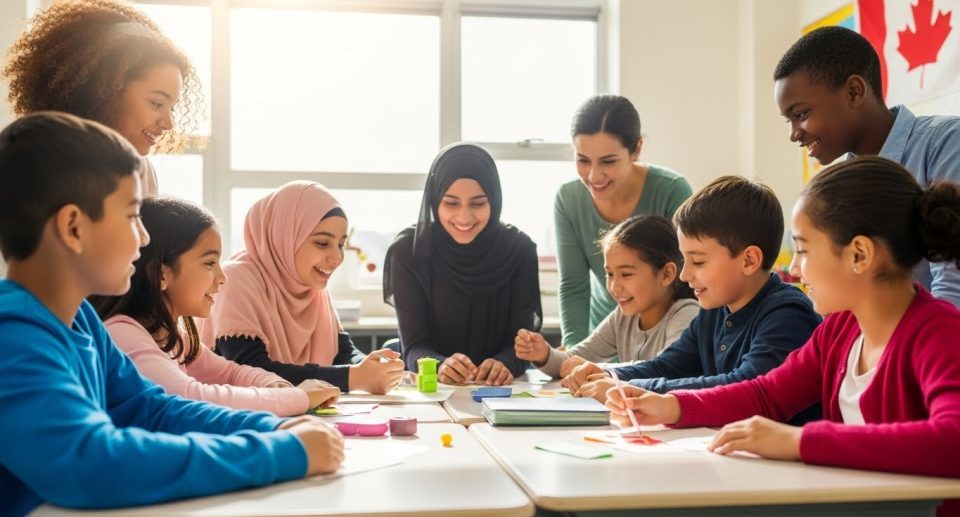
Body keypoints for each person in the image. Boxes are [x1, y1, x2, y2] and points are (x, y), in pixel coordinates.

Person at [0, 112, 342, 516]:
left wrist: (276, 426)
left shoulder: (82, 322)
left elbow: (153, 408)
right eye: (131, 217)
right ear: (73, 227)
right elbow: (92, 464)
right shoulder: (14, 333)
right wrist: (281, 452)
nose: (144, 238)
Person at [606, 156, 960, 516]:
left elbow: (953, 441)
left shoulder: (938, 333)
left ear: (859, 254)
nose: (793, 267)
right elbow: (768, 393)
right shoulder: (840, 331)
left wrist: (799, 440)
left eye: (804, 250)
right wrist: (673, 405)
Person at [565, 176, 821, 427]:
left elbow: (743, 386)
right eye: (684, 260)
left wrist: (627, 388)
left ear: (749, 260)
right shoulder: (715, 309)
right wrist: (610, 374)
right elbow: (671, 365)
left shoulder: (787, 314)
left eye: (698, 261)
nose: (685, 275)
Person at [93, 197, 340, 416]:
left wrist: (273, 384)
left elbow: (230, 373)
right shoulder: (123, 335)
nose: (222, 277)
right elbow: (192, 398)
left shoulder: (172, 336)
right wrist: (297, 397)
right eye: (210, 263)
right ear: (161, 274)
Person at [774, 25, 960, 305]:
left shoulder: (945, 143)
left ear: (853, 92)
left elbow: (953, 288)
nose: (794, 133)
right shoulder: (838, 188)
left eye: (801, 114)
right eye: (789, 120)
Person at [201, 181, 404, 394]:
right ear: (285, 237)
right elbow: (251, 370)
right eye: (322, 243)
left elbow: (342, 353)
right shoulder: (235, 280)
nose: (337, 257)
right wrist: (352, 377)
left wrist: (374, 367)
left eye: (341, 244)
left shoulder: (311, 287)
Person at [2, 0, 205, 197]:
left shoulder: (141, 173)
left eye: (172, 108)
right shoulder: (30, 165)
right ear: (106, 93)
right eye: (157, 103)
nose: (168, 123)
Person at [385, 143, 542, 386]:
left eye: (478, 203)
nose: (464, 217)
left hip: (499, 390)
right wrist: (439, 365)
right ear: (435, 200)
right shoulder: (409, 251)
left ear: (494, 200)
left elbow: (521, 343)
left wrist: (505, 363)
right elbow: (414, 346)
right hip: (435, 391)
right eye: (451, 203)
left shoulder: (519, 250)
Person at [556, 94, 692, 347]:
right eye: (583, 160)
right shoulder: (568, 199)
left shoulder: (672, 191)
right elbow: (573, 286)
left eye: (608, 161)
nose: (594, 175)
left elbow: (688, 280)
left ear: (637, 149)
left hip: (665, 340)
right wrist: (573, 356)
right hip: (603, 338)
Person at [515, 214, 698, 392]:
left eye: (626, 274)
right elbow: (572, 360)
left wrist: (597, 369)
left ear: (666, 274)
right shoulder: (623, 317)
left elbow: (665, 368)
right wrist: (543, 353)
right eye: (610, 274)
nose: (614, 286)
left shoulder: (686, 314)